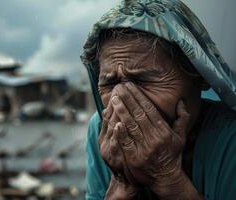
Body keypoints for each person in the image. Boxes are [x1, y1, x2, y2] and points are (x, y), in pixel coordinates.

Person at [80, 0, 236, 199]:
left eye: (142, 80)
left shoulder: (230, 137)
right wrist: (121, 181)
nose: (120, 100)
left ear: (200, 76)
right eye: (110, 83)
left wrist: (168, 177)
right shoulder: (103, 130)